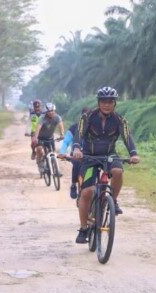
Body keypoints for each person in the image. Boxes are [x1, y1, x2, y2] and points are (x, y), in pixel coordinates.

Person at [71, 87, 140, 244]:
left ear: (114, 103)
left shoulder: (120, 120)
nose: (106, 105)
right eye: (103, 102)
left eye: (110, 102)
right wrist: (76, 148)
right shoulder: (87, 117)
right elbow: (79, 134)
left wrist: (133, 153)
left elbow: (128, 137)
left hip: (110, 155)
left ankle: (113, 201)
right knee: (87, 192)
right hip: (89, 157)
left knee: (118, 171)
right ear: (98, 102)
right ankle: (83, 228)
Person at [59, 107, 91, 199]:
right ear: (81, 117)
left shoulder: (95, 128)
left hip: (91, 154)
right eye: (84, 117)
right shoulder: (74, 128)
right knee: (77, 163)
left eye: (89, 117)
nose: (87, 119)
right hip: (76, 154)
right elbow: (66, 142)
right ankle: (73, 185)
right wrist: (62, 153)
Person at [31, 102, 65, 170]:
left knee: (52, 153)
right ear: (46, 112)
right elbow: (38, 128)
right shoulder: (42, 118)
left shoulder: (57, 117)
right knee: (39, 149)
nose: (51, 112)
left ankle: (55, 169)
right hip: (40, 138)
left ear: (54, 110)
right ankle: (40, 163)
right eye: (49, 111)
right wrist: (35, 137)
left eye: (52, 111)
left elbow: (61, 126)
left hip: (50, 138)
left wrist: (62, 135)